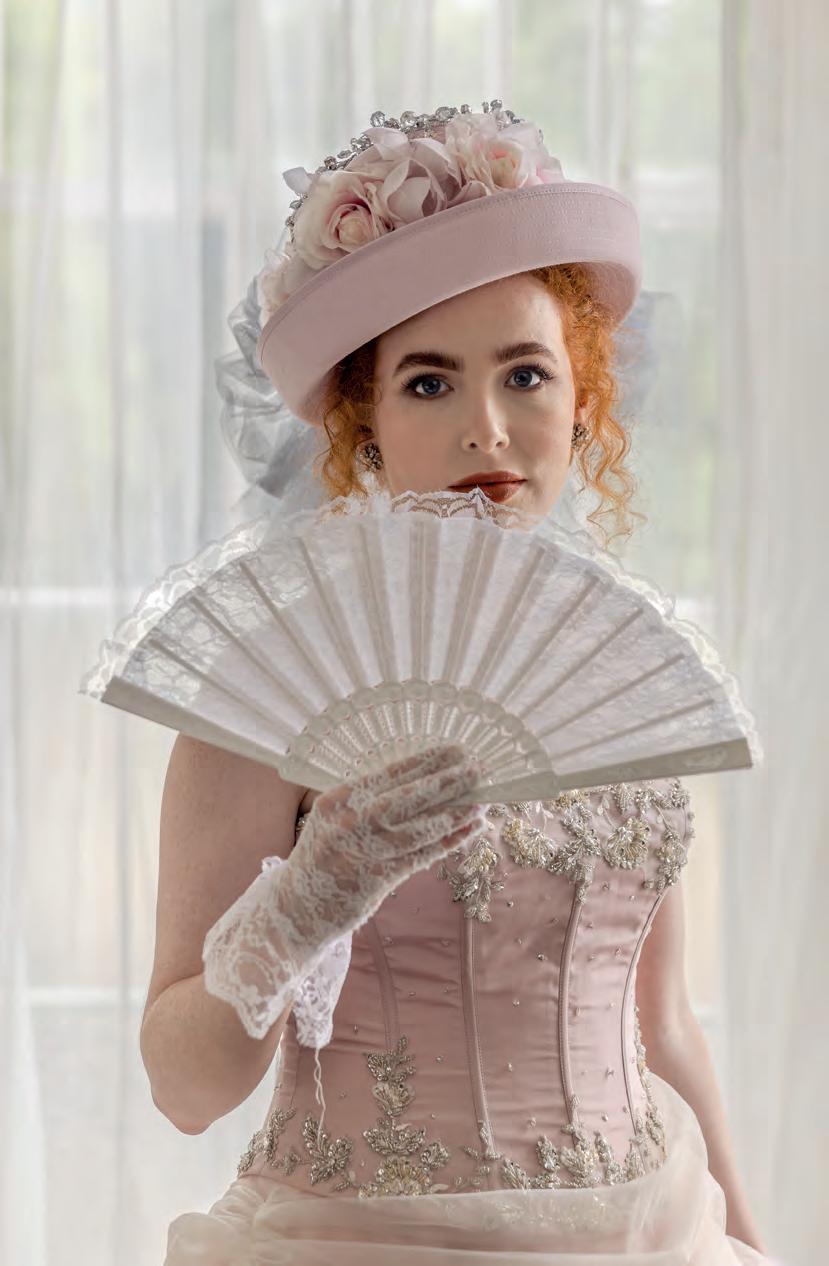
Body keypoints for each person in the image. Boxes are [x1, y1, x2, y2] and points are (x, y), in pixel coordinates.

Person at [142, 100, 776, 1264]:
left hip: (654, 1233)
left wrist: (752, 1235)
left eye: (525, 374)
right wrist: (299, 906)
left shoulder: (620, 664)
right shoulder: (276, 683)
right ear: (365, 423)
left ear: (582, 402)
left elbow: (667, 1025)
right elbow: (183, 1090)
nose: (486, 427)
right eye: (429, 384)